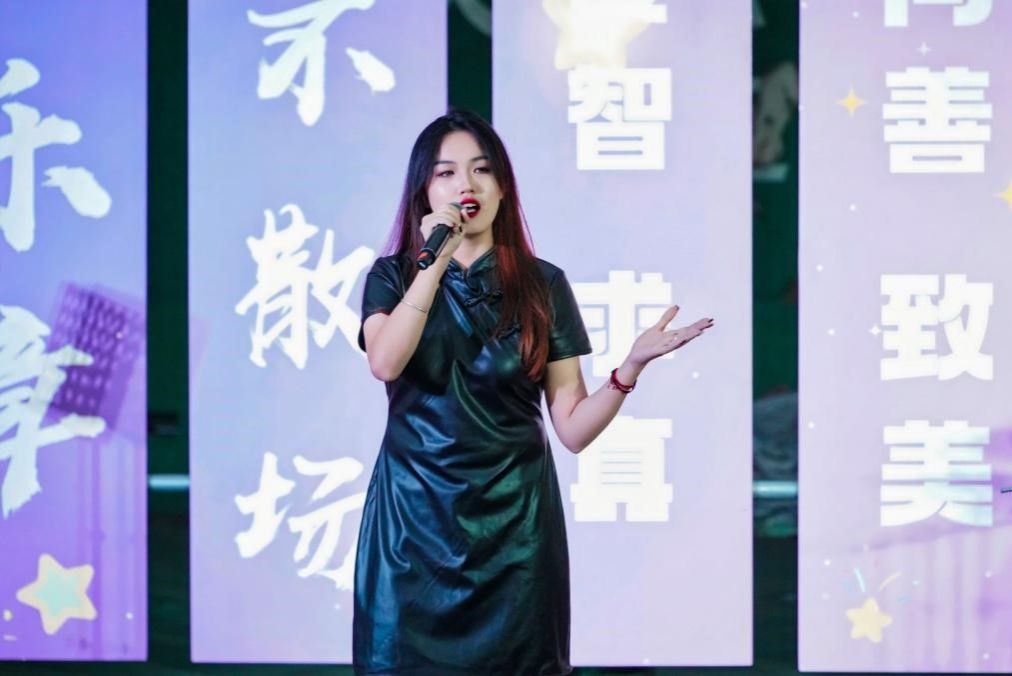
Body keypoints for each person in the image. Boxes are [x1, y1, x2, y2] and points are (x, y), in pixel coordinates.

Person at [353, 109, 713, 675]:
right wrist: (435, 261)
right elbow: (385, 361)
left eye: (482, 170)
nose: (466, 185)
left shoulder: (543, 284)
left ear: (503, 188)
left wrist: (629, 368)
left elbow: (571, 428)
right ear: (424, 191)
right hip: (412, 528)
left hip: (515, 532)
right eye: (446, 173)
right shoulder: (393, 277)